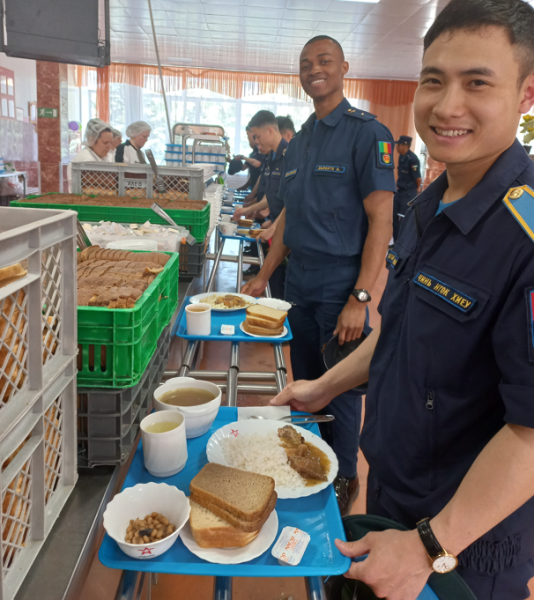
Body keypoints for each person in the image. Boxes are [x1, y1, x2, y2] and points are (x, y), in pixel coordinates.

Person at [271, 1, 534, 598]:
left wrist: (430, 546)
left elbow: (531, 432)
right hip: (394, 489)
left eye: (477, 83)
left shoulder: (524, 236)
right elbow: (401, 334)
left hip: (465, 538)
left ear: (525, 95)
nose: (447, 106)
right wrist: (326, 385)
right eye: (433, 80)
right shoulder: (428, 206)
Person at [242, 35, 396, 516]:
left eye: (324, 61)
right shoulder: (302, 138)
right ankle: (311, 463)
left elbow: (382, 221)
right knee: (305, 379)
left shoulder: (368, 133)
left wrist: (362, 297)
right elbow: (289, 216)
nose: (314, 69)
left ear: (344, 67)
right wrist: (264, 275)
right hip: (300, 281)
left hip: (341, 283)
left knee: (342, 387)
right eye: (306, 63)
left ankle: (343, 479)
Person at [67, 118, 113, 191]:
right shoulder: (85, 160)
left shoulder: (107, 156)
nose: (109, 147)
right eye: (105, 143)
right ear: (91, 139)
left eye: (111, 143)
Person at [393, 135, 422, 240]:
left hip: (409, 192)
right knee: (394, 216)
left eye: (399, 145)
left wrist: (417, 190)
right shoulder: (401, 156)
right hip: (400, 191)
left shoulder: (412, 159)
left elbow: (418, 178)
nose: (397, 147)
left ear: (405, 146)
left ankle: (403, 241)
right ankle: (396, 241)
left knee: (405, 218)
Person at [235, 127, 265, 199]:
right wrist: (231, 161)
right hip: (254, 190)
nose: (248, 139)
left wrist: (243, 157)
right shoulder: (253, 153)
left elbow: (258, 165)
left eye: (248, 136)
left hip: (261, 192)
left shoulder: (263, 150)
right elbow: (244, 168)